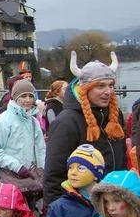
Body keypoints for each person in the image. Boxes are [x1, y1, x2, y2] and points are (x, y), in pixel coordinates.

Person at [44, 52, 126, 206]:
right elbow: (54, 176)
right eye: (100, 86)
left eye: (111, 85)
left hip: (115, 204)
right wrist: (55, 215)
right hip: (81, 207)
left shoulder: (115, 116)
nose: (108, 91)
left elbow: (121, 158)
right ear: (85, 89)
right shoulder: (66, 122)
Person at [0, 78, 45, 206]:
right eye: (23, 96)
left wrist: (42, 169)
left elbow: (41, 149)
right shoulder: (3, 121)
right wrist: (18, 167)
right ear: (14, 97)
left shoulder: (33, 121)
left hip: (31, 178)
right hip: (10, 178)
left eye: (31, 96)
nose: (28, 100)